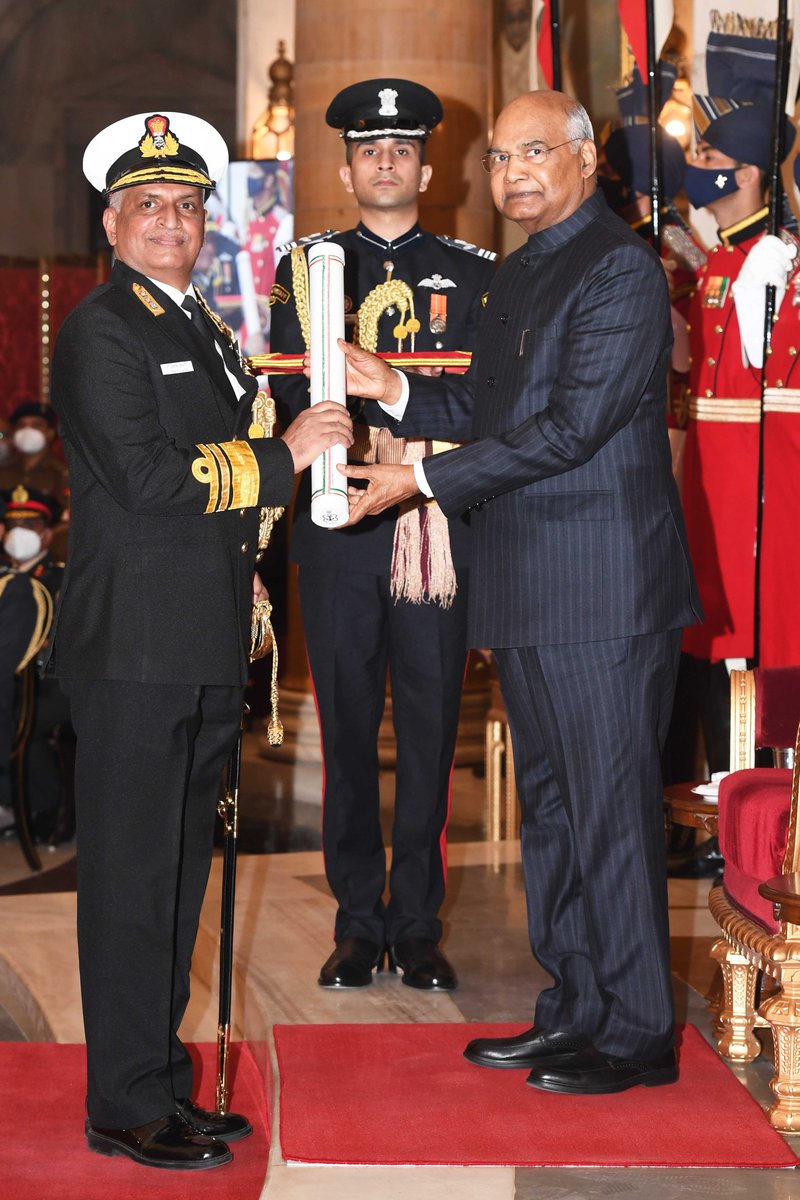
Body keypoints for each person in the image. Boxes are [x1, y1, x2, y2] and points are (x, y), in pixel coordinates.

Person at [332, 88, 702, 1094]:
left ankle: (634, 1034)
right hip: (528, 590)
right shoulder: (523, 273)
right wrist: (396, 390)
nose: (511, 175)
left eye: (533, 153)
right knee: (551, 813)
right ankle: (573, 1007)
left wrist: (420, 478)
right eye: (498, 159)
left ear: (585, 158)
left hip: (599, 594)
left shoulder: (619, 269)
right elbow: (497, 409)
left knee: (609, 816)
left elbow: (569, 430)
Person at [47, 110, 352, 1171]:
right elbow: (148, 477)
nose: (171, 223)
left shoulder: (204, 331)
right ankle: (121, 1102)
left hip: (201, 640)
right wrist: (281, 459)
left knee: (174, 882)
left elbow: (230, 475)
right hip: (132, 651)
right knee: (131, 881)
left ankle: (161, 1081)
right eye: (150, 208)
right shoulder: (102, 330)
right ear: (113, 223)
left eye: (186, 207)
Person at [269, 78, 495, 992]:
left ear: (429, 167)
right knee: (350, 725)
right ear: (346, 166)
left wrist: (406, 423)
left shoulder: (478, 270)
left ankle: (418, 922)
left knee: (435, 726)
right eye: (370, 149)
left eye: (403, 148)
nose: (387, 160)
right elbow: (288, 389)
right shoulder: (306, 266)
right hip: (337, 524)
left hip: (432, 518)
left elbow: (489, 405)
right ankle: (358, 921)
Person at [1, 485, 71, 841]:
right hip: (12, 679)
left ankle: (42, 810)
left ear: (46, 532)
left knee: (23, 721)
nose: (20, 533)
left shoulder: (60, 578)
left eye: (30, 525)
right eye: (14, 525)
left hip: (52, 682)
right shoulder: (3, 576)